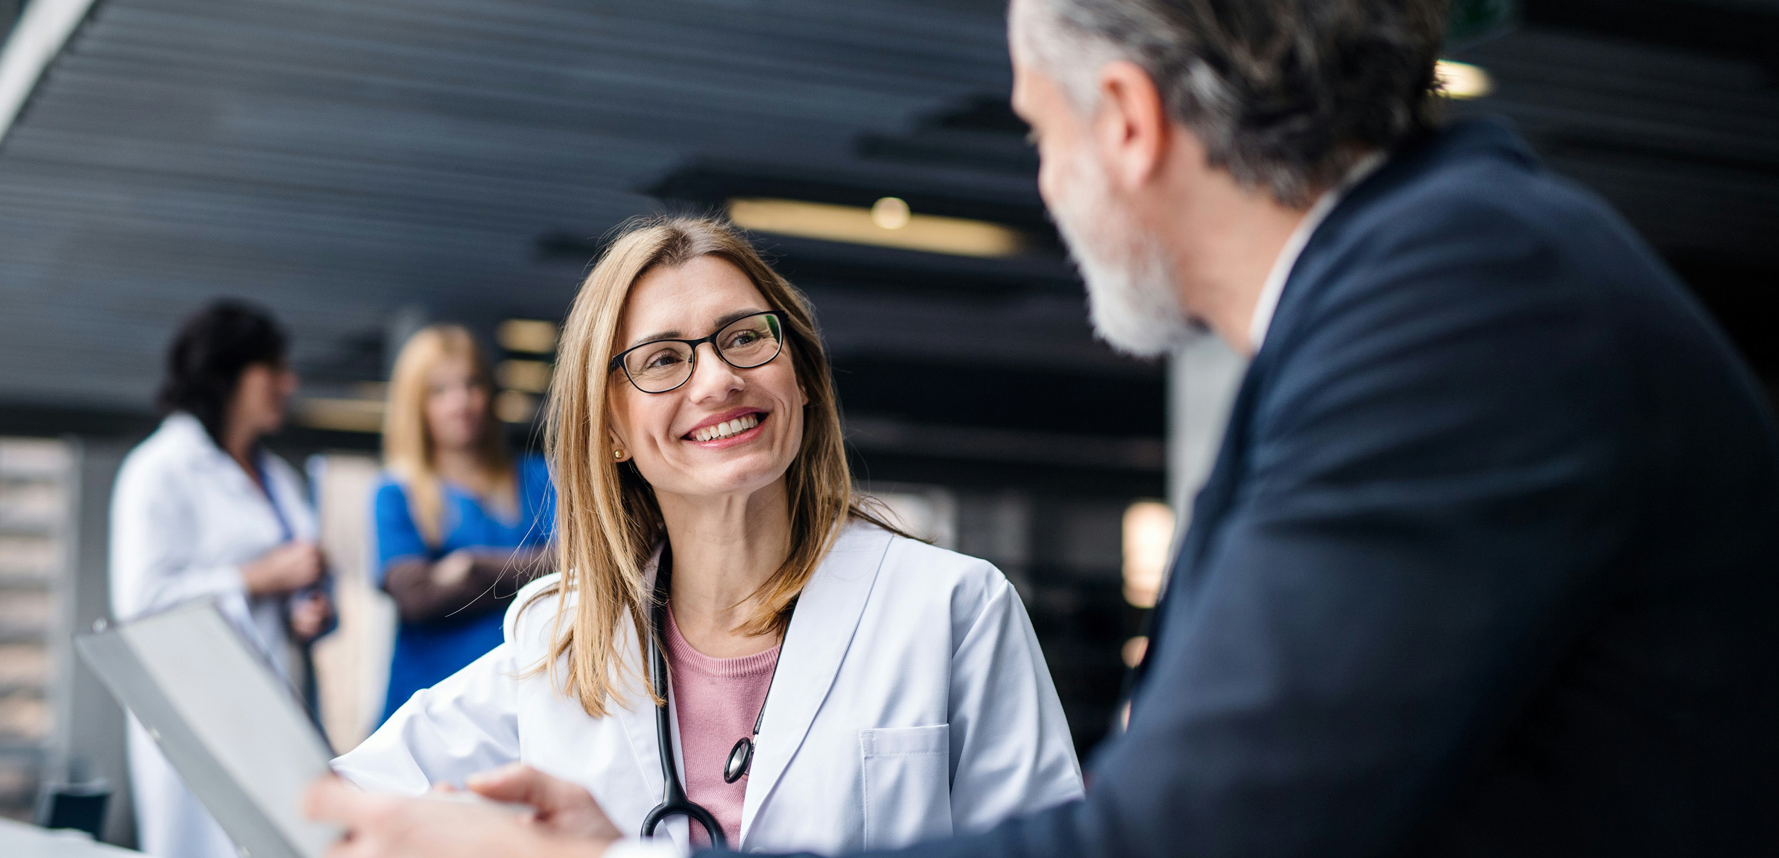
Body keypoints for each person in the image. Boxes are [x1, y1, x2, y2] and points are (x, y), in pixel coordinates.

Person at [304, 0, 1779, 856]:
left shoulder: (1460, 308)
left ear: (1127, 120)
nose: (1046, 173)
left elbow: (1183, 839)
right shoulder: (1419, 285)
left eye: (1038, 125)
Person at [325, 215, 1083, 854]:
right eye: (662, 359)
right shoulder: (557, 637)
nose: (717, 379)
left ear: (803, 380)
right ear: (612, 428)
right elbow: (330, 806)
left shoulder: (952, 608)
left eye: (746, 338)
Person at [112, 299, 333, 858]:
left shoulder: (277, 475)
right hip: (193, 706)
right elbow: (140, 604)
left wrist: (302, 610)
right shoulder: (158, 470)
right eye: (275, 369)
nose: (290, 382)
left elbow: (291, 584)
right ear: (229, 374)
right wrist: (255, 577)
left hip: (272, 701)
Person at [372, 324, 556, 724]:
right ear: (416, 404)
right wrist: (530, 570)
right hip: (431, 704)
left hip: (527, 699)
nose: (461, 402)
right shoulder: (396, 494)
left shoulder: (539, 478)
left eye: (472, 384)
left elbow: (578, 565)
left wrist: (470, 568)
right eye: (440, 391)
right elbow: (416, 597)